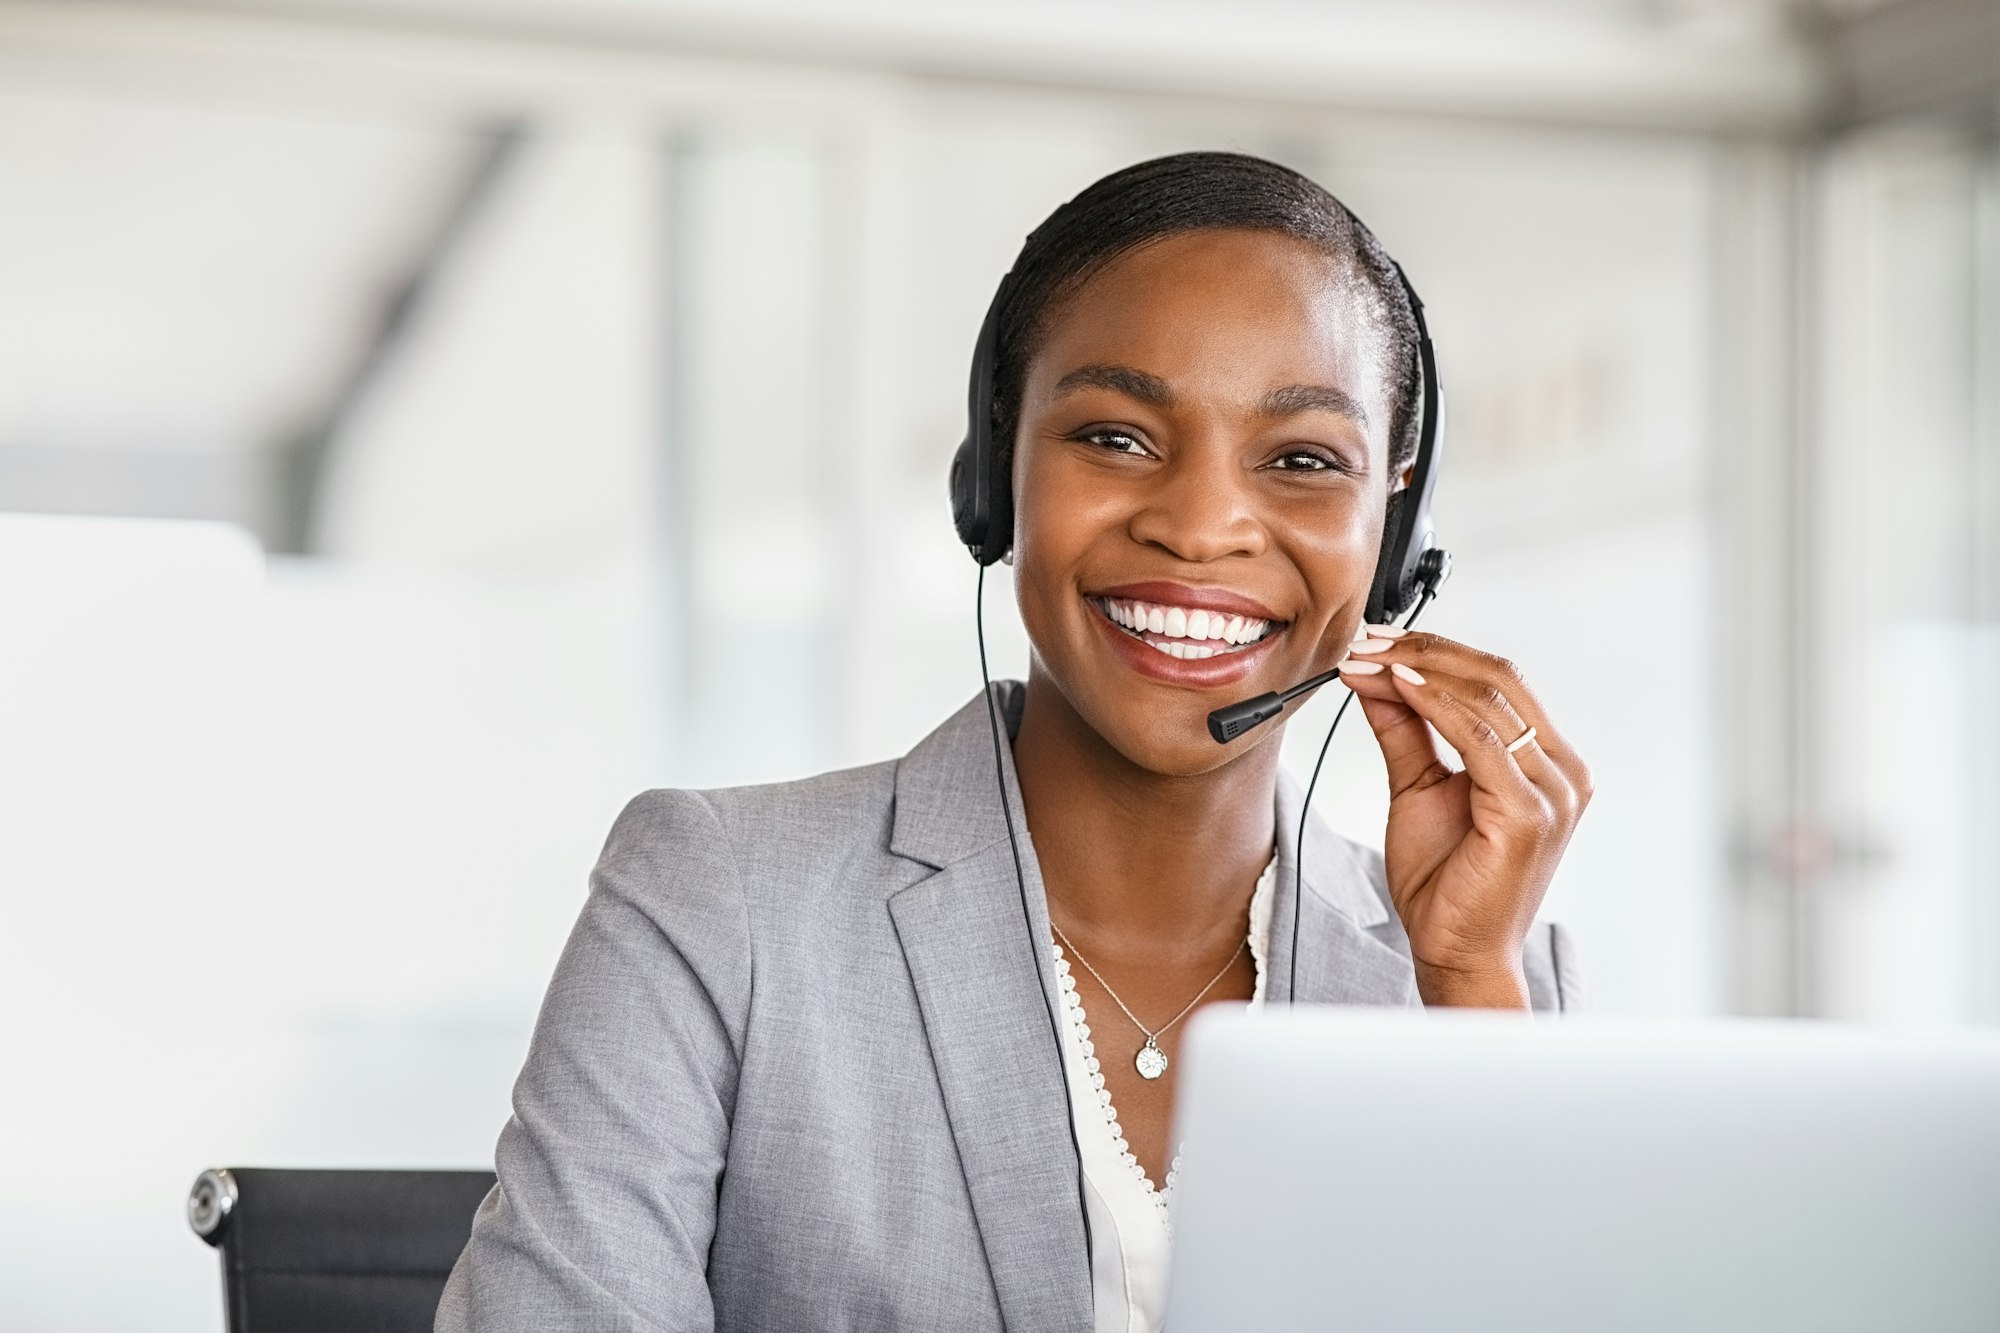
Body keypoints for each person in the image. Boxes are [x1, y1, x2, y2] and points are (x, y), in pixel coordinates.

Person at [436, 151, 1591, 1333]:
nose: (1198, 528)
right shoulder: (719, 902)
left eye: (1301, 460)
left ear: (1393, 532)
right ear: (994, 474)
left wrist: (1463, 985)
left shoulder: (1493, 983)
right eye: (1115, 437)